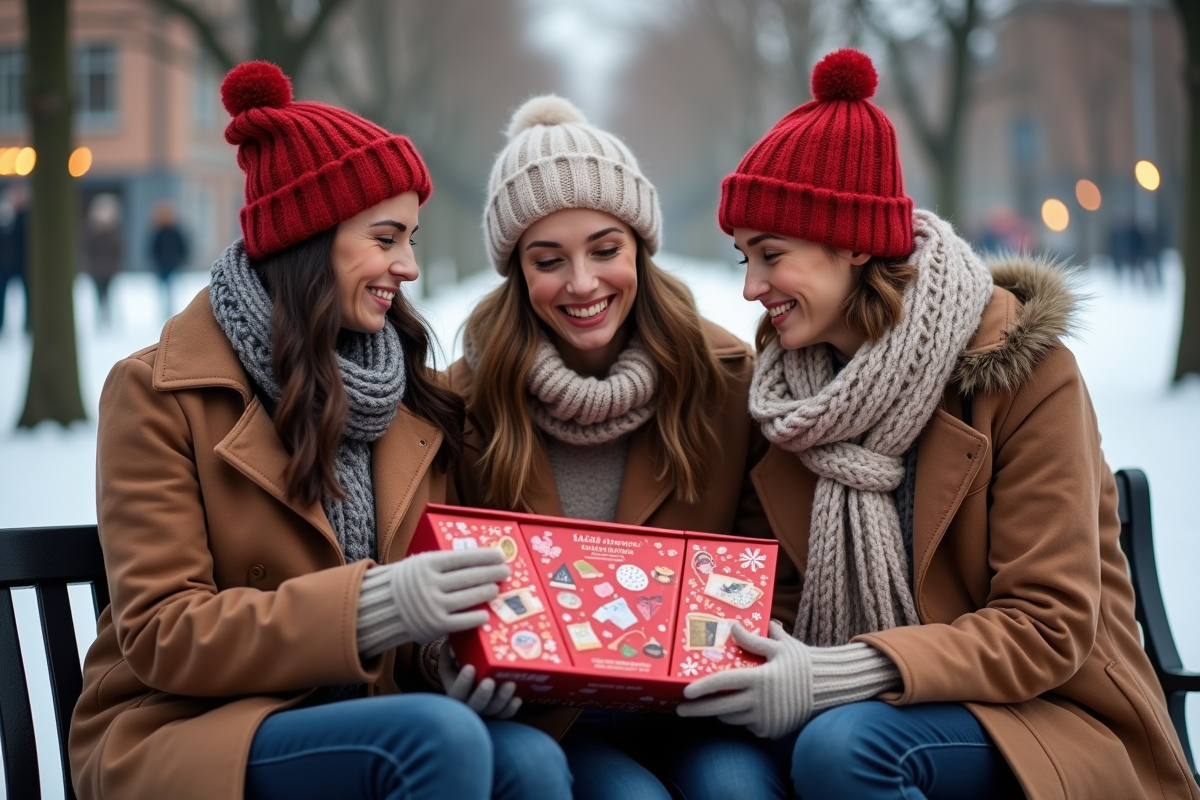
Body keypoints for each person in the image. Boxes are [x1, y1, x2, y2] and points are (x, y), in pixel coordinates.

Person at [674, 49, 1200, 800]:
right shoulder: (790, 396)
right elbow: (782, 593)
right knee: (717, 769)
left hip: (1042, 717)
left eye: (771, 255)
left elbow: (1046, 626)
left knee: (844, 748)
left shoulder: (1022, 372)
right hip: (857, 707)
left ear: (853, 242)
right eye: (742, 260)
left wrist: (835, 674)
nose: (753, 286)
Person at [68, 61, 572, 800]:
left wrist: (455, 668)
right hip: (193, 728)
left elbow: (437, 608)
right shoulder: (157, 393)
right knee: (436, 739)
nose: (407, 266)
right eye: (386, 237)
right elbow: (163, 634)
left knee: (526, 758)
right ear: (308, 236)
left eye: (412, 239)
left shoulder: (410, 394)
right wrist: (374, 605)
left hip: (367, 715)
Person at [443, 95, 779, 800]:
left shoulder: (726, 382)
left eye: (605, 249)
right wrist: (455, 665)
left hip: (701, 708)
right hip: (555, 716)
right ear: (516, 272)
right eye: (548, 260)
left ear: (640, 249)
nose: (583, 283)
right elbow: (436, 581)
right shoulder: (465, 403)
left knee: (736, 792)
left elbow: (770, 563)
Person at [84, 193, 124, 327]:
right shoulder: (92, 231)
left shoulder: (113, 232)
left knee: (109, 294)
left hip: (109, 269)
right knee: (98, 295)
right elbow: (88, 250)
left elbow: (117, 251)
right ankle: (101, 318)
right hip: (97, 269)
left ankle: (110, 318)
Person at [149, 198, 189, 318]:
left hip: (172, 264)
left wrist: (181, 258)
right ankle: (165, 310)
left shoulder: (174, 231)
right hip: (162, 265)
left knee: (171, 289)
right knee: (164, 288)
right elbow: (153, 248)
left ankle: (169, 309)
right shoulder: (158, 232)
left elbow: (183, 246)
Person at [0, 182, 28, 333]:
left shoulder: (27, 217)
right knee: (1, 295)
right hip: (5, 264)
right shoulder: (5, 216)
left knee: (29, 296)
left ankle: (28, 325)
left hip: (23, 263)